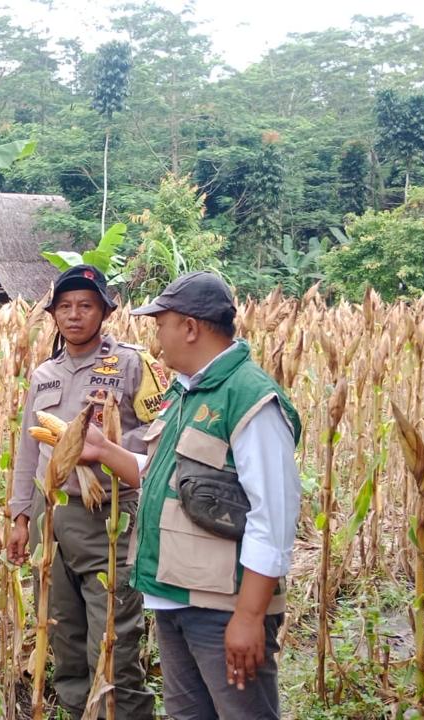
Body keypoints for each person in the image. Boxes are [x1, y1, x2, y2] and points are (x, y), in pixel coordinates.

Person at [80, 271, 302, 720]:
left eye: (161, 324)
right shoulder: (185, 392)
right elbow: (164, 478)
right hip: (174, 596)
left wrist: (249, 616)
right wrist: (103, 450)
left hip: (222, 606)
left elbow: (273, 517)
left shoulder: (250, 399)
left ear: (190, 327)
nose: (157, 339)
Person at [7, 265, 166, 719]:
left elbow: (160, 440)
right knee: (64, 637)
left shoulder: (133, 364)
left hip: (109, 520)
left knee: (113, 642)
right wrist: (21, 516)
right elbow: (28, 451)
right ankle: (78, 710)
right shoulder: (44, 374)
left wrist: (105, 449)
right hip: (53, 520)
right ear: (53, 315)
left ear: (105, 312)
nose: (74, 315)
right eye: (64, 307)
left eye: (85, 306)